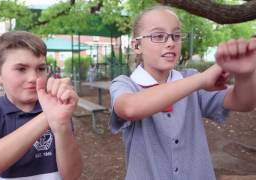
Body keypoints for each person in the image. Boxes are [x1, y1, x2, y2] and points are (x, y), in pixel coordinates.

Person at [109, 5, 256, 180]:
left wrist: (245, 76)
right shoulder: (126, 84)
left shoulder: (189, 78)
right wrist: (201, 80)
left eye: (176, 35)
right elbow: (129, 108)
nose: (170, 42)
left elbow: (243, 102)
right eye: (158, 36)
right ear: (137, 45)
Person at [0, 31, 82, 180]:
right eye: (21, 69)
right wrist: (47, 116)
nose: (33, 77)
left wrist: (61, 124)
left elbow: (72, 175)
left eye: (41, 68)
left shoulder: (57, 109)